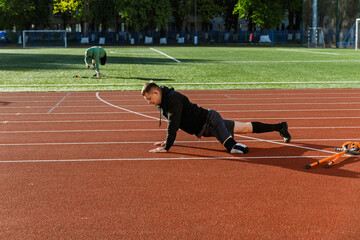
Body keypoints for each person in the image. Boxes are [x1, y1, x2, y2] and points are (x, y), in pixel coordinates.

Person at [141, 82, 291, 154]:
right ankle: (280, 127)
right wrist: (166, 141)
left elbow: (173, 123)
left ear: (155, 93)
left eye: (149, 98)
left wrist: (167, 147)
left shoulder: (173, 99)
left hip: (210, 121)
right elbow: (175, 122)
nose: (148, 103)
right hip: (207, 125)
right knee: (246, 128)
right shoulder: (163, 103)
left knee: (233, 149)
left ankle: (234, 144)